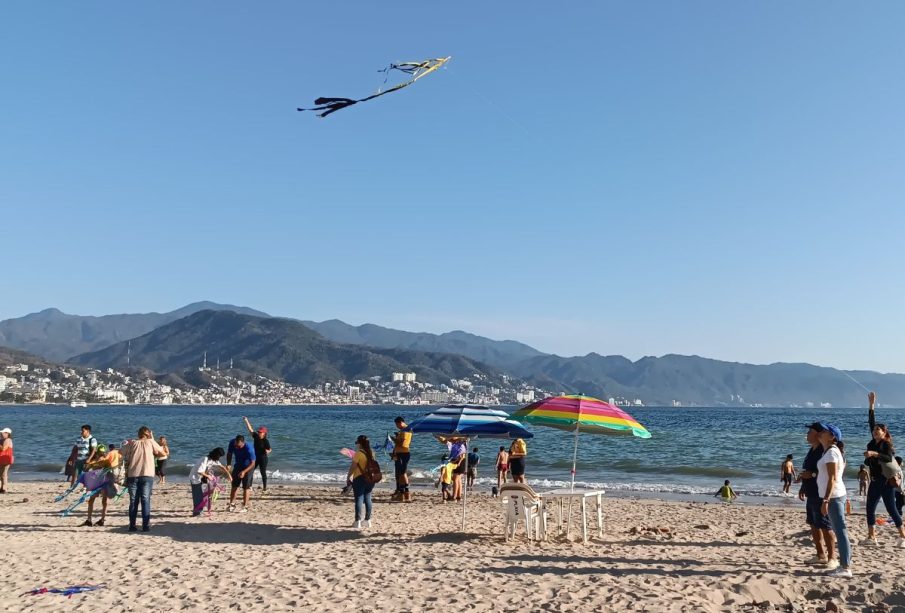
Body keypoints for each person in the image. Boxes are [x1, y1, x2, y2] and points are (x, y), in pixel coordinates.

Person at [862, 392, 905, 547]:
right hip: (874, 480)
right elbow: (871, 421)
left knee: (891, 509)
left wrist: (874, 454)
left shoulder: (886, 444)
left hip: (886, 481)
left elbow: (888, 458)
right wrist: (872, 404)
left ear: (884, 432)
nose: (875, 431)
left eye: (878, 430)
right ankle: (872, 537)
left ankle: (903, 536)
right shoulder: (872, 442)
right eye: (874, 430)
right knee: (870, 508)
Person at [816, 423, 852, 578]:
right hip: (837, 495)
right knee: (840, 530)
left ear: (832, 437)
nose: (821, 432)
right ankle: (844, 565)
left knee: (840, 531)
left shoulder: (831, 453)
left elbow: (832, 478)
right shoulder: (830, 451)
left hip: (834, 497)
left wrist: (826, 500)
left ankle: (845, 567)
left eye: (824, 431)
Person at [799, 422, 836, 567]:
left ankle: (832, 557)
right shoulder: (812, 450)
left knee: (825, 526)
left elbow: (829, 474)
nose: (808, 434)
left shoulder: (824, 450)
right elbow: (807, 471)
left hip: (820, 492)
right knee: (813, 524)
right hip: (811, 492)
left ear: (819, 434)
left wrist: (812, 474)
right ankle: (820, 554)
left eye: (810, 431)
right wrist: (803, 486)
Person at [124, 426, 165, 532]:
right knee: (145, 500)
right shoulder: (151, 442)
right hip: (147, 474)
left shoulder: (133, 443)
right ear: (148, 434)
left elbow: (121, 453)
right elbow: (163, 453)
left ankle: (132, 525)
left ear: (138, 434)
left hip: (133, 474)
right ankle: (145, 526)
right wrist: (152, 439)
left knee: (133, 501)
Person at [83, 444, 121, 527]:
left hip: (97, 483)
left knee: (92, 501)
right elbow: (110, 470)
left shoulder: (94, 461)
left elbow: (85, 469)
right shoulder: (105, 461)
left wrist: (89, 461)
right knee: (104, 501)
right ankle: (102, 520)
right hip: (103, 483)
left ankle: (90, 519)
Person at [189, 448, 231, 516]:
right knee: (197, 495)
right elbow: (199, 471)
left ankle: (199, 510)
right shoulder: (205, 459)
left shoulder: (213, 460)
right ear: (216, 455)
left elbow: (222, 467)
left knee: (203, 495)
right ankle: (196, 512)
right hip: (195, 478)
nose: (219, 458)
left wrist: (229, 475)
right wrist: (208, 476)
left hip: (200, 479)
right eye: (219, 456)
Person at [346, 435, 376, 529]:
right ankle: (368, 520)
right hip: (370, 478)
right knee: (368, 498)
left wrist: (348, 476)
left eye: (357, 443)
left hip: (359, 478)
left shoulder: (358, 453)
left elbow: (353, 467)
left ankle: (357, 521)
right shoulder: (372, 452)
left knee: (359, 499)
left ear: (359, 443)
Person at [226, 434, 256, 513]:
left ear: (243, 443)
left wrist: (244, 471)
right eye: (236, 445)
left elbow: (253, 463)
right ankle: (232, 504)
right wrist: (228, 464)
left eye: (238, 446)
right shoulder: (232, 443)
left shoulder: (249, 449)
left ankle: (245, 506)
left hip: (248, 467)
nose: (236, 447)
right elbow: (229, 453)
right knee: (234, 485)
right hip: (238, 465)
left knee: (246, 487)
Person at [243, 416, 272, 493]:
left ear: (264, 433)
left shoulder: (266, 441)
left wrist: (268, 451)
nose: (259, 433)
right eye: (259, 432)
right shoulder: (255, 436)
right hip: (255, 457)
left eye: (260, 432)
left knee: (263, 472)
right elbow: (250, 429)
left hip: (263, 458)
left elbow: (269, 449)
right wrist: (246, 420)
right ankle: (250, 486)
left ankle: (264, 488)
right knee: (251, 471)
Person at [390, 416, 412, 502]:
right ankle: (401, 492)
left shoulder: (406, 430)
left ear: (400, 422)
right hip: (399, 453)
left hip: (403, 453)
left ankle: (406, 492)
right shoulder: (403, 430)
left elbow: (403, 444)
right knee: (399, 474)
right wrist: (397, 436)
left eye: (397, 424)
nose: (396, 426)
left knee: (402, 473)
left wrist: (394, 439)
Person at [0, 427, 13, 493]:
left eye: (3, 433)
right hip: (1, 459)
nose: (1, 434)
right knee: (1, 474)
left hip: (6, 459)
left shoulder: (8, 440)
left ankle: (4, 488)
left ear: (7, 434)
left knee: (4, 474)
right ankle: (2, 488)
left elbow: (3, 449)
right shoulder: (2, 440)